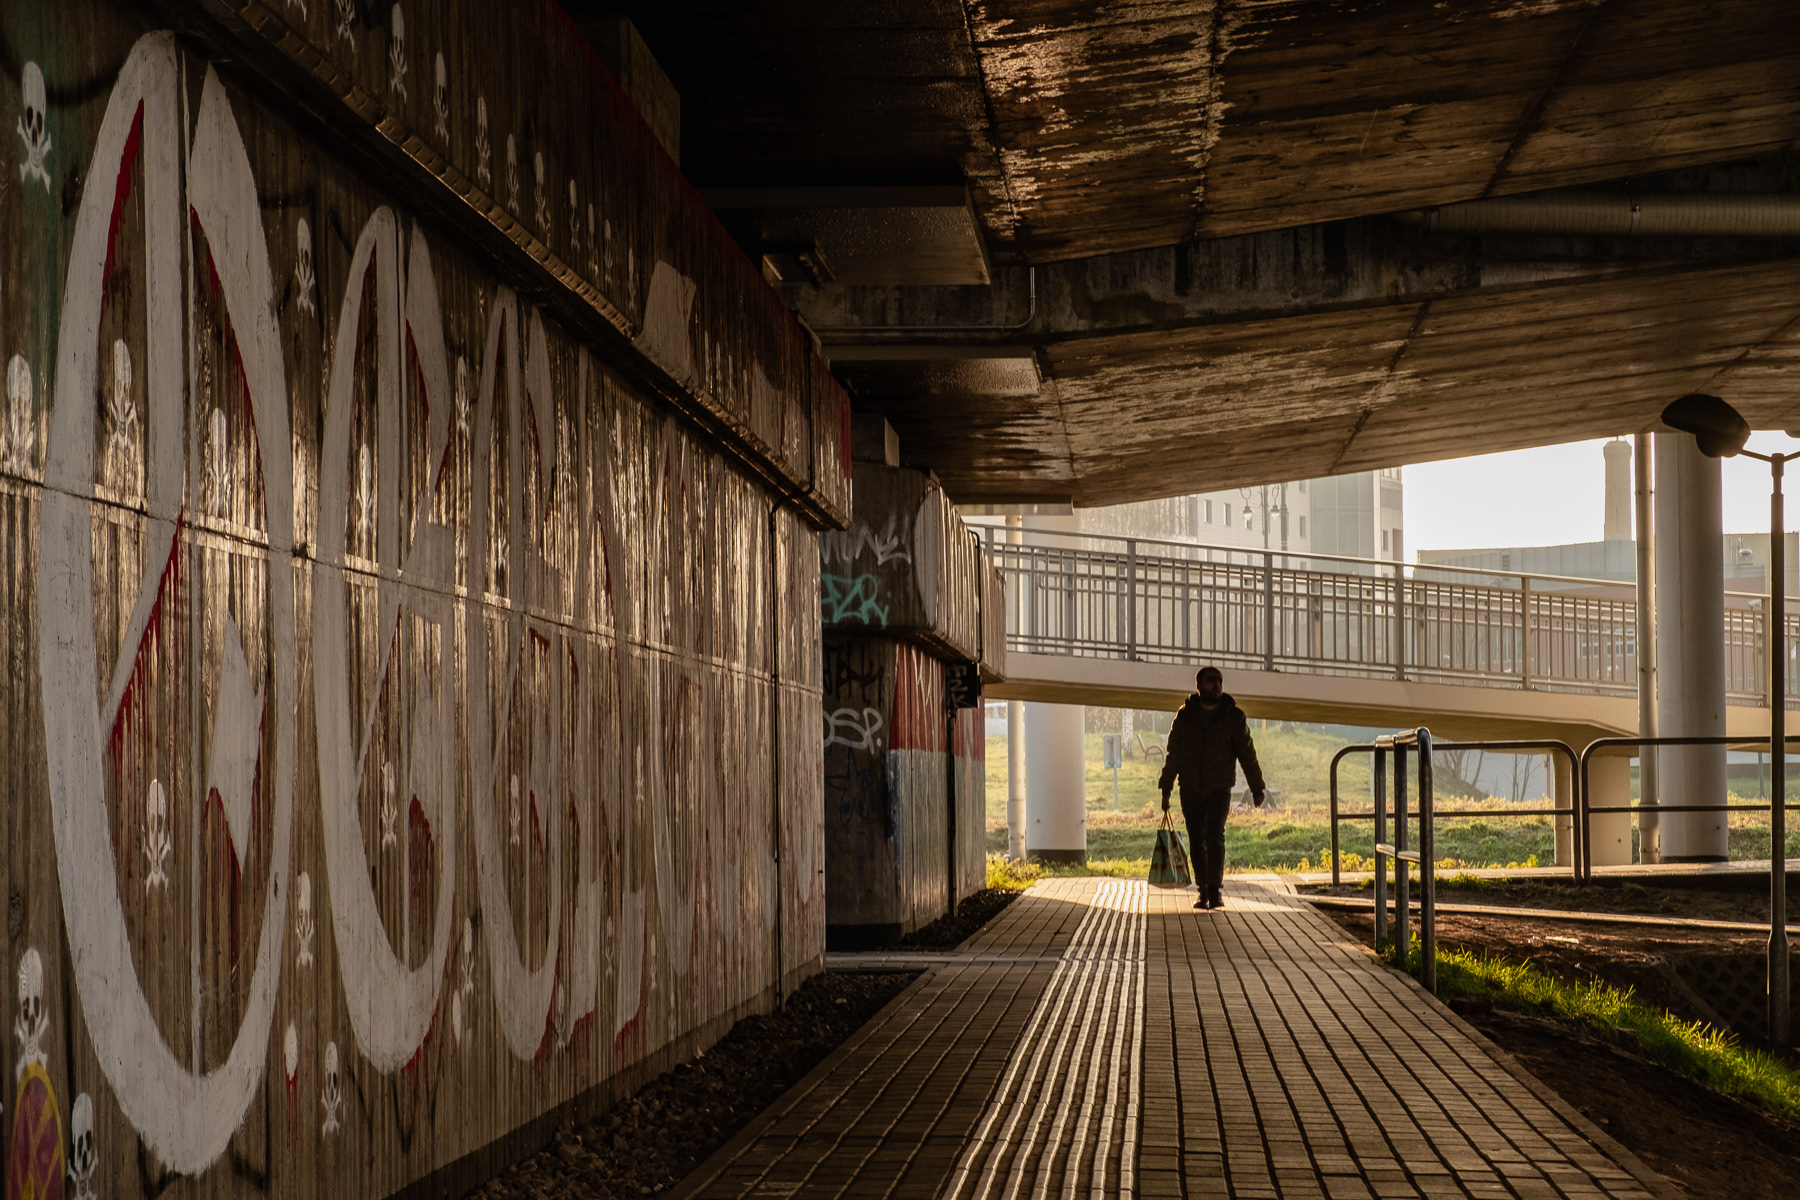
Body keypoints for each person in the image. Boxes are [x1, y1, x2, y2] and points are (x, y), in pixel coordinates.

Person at [1159, 666, 1265, 910]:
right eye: (1210, 681)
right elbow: (1173, 754)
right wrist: (1166, 789)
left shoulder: (1233, 717)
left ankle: (1215, 890)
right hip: (1190, 789)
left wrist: (1257, 788)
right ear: (1198, 686)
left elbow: (1247, 754)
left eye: (1219, 681)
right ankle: (1203, 890)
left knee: (1214, 834)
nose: (1216, 685)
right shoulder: (1185, 717)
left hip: (1219, 788)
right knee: (1197, 839)